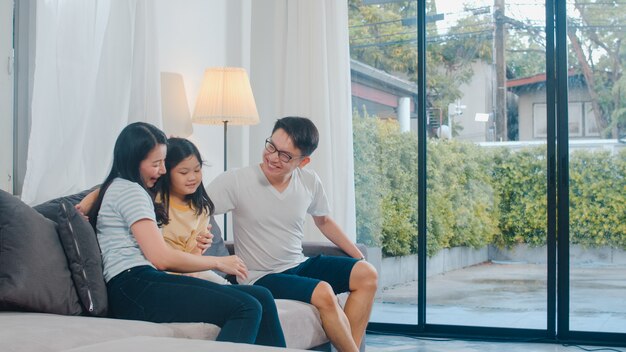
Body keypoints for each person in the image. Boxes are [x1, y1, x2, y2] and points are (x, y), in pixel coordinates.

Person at [86, 122, 285, 347]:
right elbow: (160, 258)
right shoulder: (131, 192)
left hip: (140, 282)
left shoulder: (124, 187)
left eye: (163, 162)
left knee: (261, 296)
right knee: (247, 306)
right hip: (134, 285)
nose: (162, 170)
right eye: (156, 163)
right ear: (134, 161)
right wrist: (219, 262)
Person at [206, 116, 378, 352]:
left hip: (297, 265)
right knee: (323, 292)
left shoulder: (309, 181)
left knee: (367, 274)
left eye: (285, 155)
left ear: (303, 161)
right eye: (271, 147)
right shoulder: (236, 180)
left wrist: (358, 257)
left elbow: (324, 221)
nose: (273, 157)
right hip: (260, 276)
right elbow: (197, 209)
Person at [155, 137, 229, 285]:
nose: (192, 177)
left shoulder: (202, 208)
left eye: (197, 170)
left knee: (249, 295)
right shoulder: (155, 201)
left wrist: (199, 247)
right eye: (183, 172)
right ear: (166, 172)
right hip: (163, 274)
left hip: (191, 269)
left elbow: (194, 259)